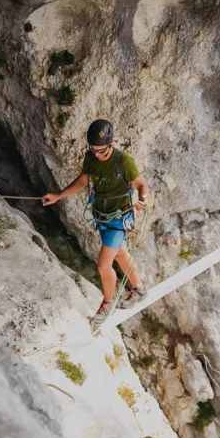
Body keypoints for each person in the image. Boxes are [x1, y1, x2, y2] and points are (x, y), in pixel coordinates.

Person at [42, 119, 149, 324]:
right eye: (94, 150)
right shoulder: (91, 157)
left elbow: (142, 185)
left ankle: (107, 302)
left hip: (119, 219)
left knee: (103, 265)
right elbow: (82, 181)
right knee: (119, 254)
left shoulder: (123, 161)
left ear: (111, 143)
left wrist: (142, 200)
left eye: (102, 151)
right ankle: (139, 288)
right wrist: (58, 196)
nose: (98, 155)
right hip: (102, 216)